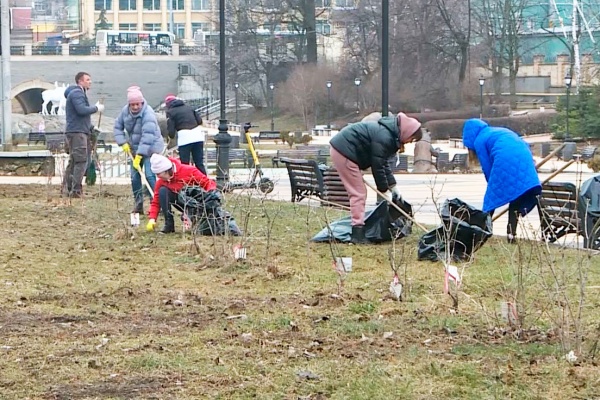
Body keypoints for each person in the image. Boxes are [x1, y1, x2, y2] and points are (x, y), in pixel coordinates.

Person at [329, 112, 423, 244]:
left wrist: (393, 187)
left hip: (346, 151)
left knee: (358, 192)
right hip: (344, 152)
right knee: (358, 193)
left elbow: (383, 163)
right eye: (412, 139)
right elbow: (377, 165)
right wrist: (383, 189)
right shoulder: (385, 137)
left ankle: (358, 228)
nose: (409, 142)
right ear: (407, 132)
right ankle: (358, 233)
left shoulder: (389, 134)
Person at [462, 119, 541, 243]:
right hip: (525, 157)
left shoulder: (479, 140)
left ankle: (481, 232)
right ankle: (511, 234)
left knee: (490, 200)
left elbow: (487, 168)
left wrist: (492, 187)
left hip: (504, 159)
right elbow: (523, 143)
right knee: (517, 197)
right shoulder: (497, 131)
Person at [114, 85, 165, 214]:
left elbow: (148, 136)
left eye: (138, 104)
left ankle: (159, 204)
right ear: (129, 104)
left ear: (142, 102)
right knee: (134, 177)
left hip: (151, 148)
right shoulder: (125, 112)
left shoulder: (148, 114)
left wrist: (140, 155)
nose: (136, 107)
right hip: (135, 148)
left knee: (149, 175)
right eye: (133, 105)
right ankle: (138, 204)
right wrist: (122, 142)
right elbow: (117, 127)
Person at [146, 154, 217, 234]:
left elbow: (207, 182)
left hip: (196, 202)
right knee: (162, 191)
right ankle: (169, 225)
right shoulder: (161, 182)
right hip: (180, 202)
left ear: (167, 170)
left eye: (162, 176)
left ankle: (195, 217)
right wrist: (152, 219)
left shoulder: (188, 171)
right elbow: (156, 201)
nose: (160, 179)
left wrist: (211, 193)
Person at [62, 71, 104, 198]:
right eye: (87, 79)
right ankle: (76, 191)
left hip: (78, 131)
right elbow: (81, 111)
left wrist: (91, 128)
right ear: (80, 81)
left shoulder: (78, 93)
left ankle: (67, 189)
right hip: (77, 133)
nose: (90, 82)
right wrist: (96, 108)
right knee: (80, 161)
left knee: (74, 161)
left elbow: (78, 117)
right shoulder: (77, 93)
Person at [165, 95, 206, 174]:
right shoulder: (189, 108)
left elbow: (171, 130)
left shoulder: (170, 112)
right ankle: (205, 183)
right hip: (197, 136)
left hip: (184, 138)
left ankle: (186, 183)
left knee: (184, 165)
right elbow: (199, 121)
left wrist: (171, 136)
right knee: (199, 163)